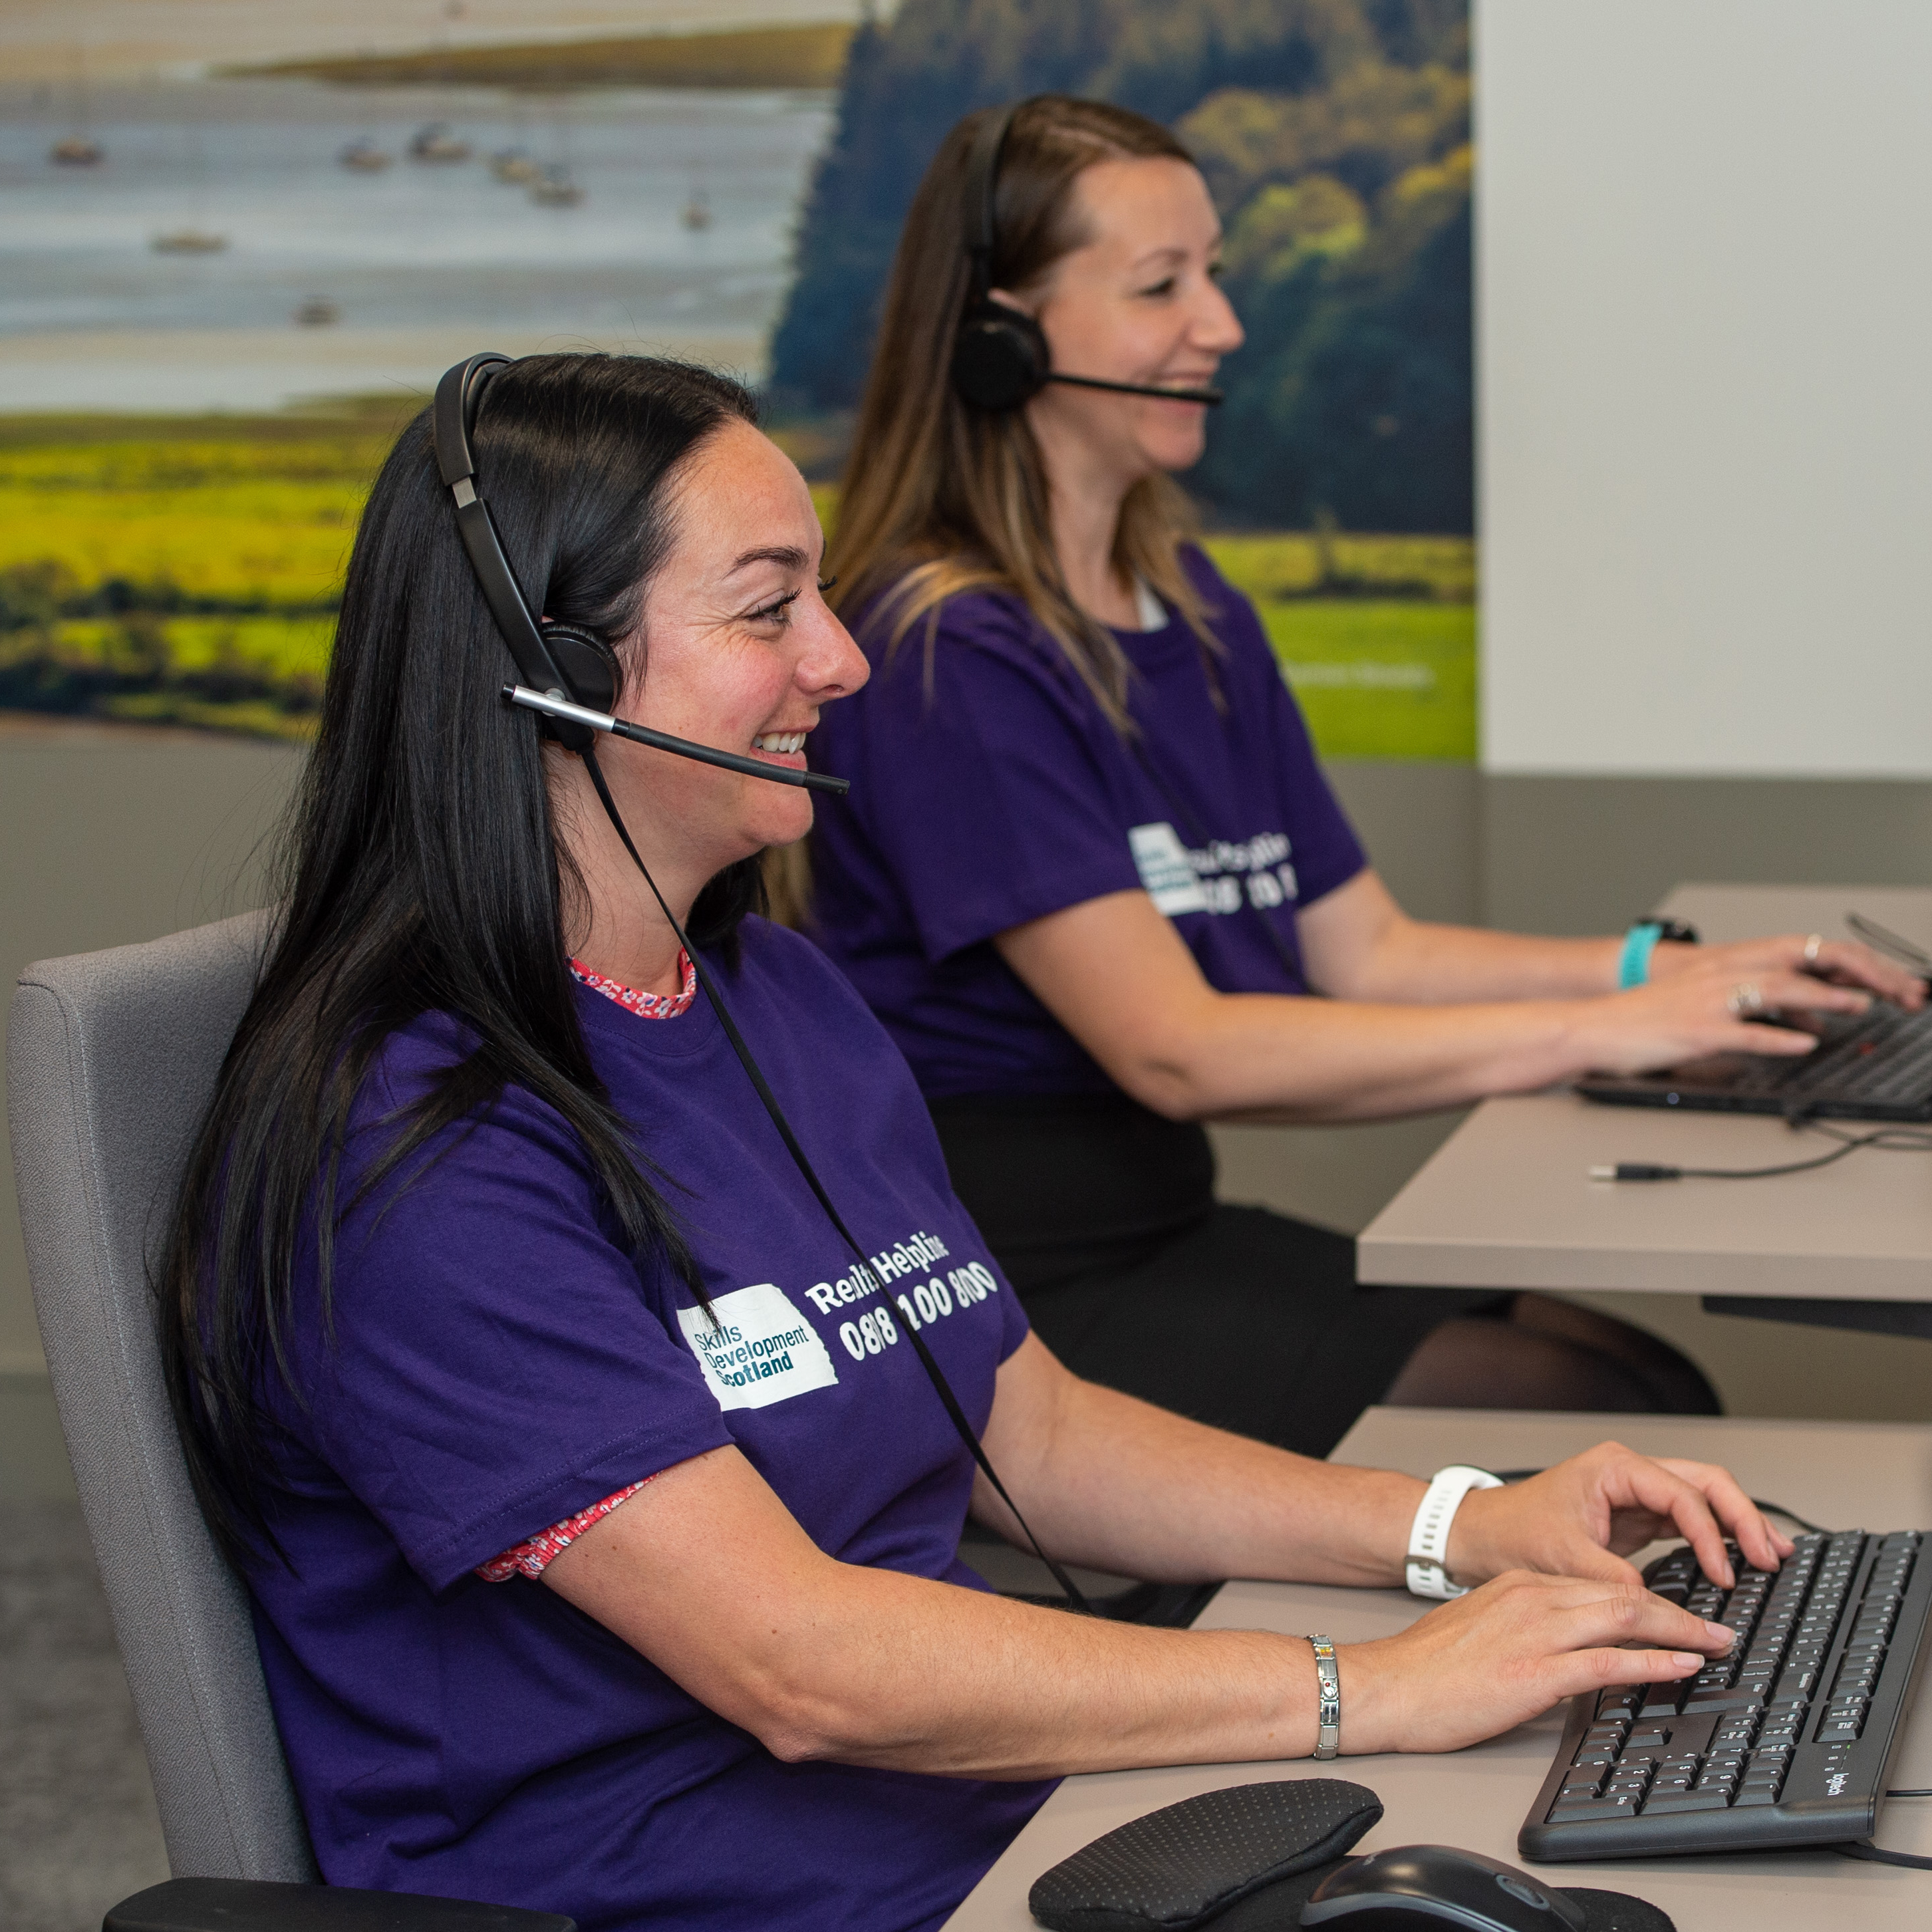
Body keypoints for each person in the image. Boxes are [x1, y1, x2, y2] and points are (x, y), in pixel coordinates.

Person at [162, 351, 1785, 1932]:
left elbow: (1041, 1438)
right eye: (766, 606)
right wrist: (1378, 1686)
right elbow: (797, 1665)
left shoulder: (770, 997)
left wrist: (1451, 1527)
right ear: (559, 675)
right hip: (689, 1883)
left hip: (983, 1807)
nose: (844, 658)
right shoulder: (414, 1150)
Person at [804, 96, 1923, 1452]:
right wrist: (1602, 1035)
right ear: (999, 338)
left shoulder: (1186, 602)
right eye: (1162, 286)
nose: (1218, 323)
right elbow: (1178, 1048)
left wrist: (1659, 978)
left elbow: (1366, 948)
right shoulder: (946, 653)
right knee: (1605, 1410)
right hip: (1006, 1281)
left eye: (1211, 273)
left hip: (1158, 1220)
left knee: (1640, 1377)